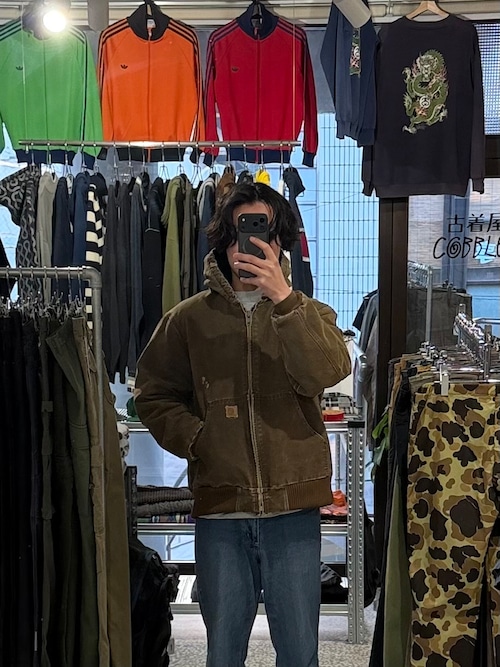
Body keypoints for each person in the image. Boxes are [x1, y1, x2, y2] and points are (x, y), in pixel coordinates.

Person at [134, 182, 351, 667]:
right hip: (221, 511)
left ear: (278, 241)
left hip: (292, 510)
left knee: (299, 653)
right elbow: (152, 394)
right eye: (236, 234)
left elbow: (327, 370)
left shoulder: (309, 313)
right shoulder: (188, 320)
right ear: (222, 241)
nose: (245, 246)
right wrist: (198, 438)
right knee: (223, 653)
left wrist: (284, 300)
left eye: (259, 233)